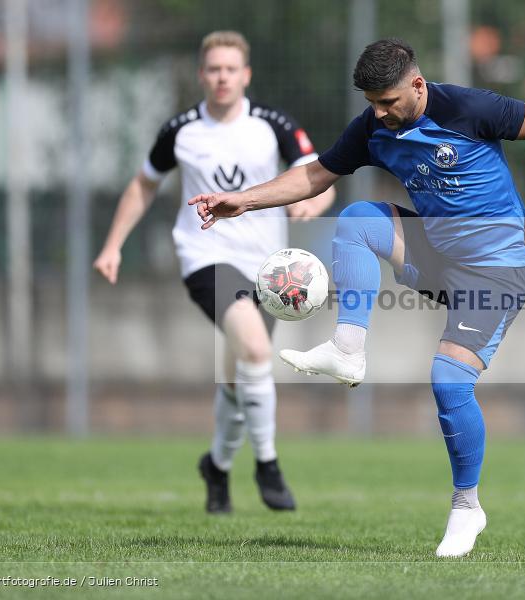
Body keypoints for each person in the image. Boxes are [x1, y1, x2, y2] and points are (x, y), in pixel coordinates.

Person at [189, 38, 525, 556]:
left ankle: (466, 506)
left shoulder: (469, 108)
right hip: (436, 253)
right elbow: (316, 174)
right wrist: (244, 201)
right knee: (359, 219)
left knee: (448, 382)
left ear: (418, 85)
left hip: (496, 271)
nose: (380, 114)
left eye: (389, 102)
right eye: (372, 104)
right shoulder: (374, 128)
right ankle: (347, 347)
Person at [94, 31, 335, 515]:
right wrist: (113, 244)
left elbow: (318, 178)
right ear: (201, 74)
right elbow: (143, 185)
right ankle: (267, 465)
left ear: (245, 75)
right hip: (205, 257)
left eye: (231, 69)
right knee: (255, 348)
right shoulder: (182, 130)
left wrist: (314, 205)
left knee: (238, 377)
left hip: (269, 269)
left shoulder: (272, 124)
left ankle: (217, 467)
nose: (222, 77)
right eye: (213, 69)